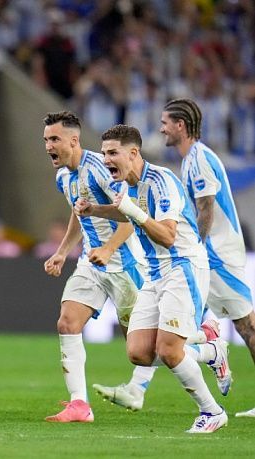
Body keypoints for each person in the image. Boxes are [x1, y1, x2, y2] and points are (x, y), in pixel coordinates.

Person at [95, 98, 255, 418]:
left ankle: (196, 378)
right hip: (194, 258)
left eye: (165, 122)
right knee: (166, 340)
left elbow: (206, 208)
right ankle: (209, 350)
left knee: (247, 324)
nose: (161, 128)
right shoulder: (188, 160)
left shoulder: (198, 159)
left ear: (180, 125)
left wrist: (199, 246)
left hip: (216, 254)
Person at [76, 124, 227, 433]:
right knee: (139, 353)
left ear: (133, 153)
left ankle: (212, 412)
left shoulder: (162, 181)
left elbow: (169, 236)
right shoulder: (125, 185)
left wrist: (133, 211)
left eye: (113, 153)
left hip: (183, 266)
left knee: (170, 351)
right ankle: (210, 350)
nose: (106, 160)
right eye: (104, 153)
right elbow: (125, 211)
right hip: (155, 271)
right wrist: (96, 209)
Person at [40, 111, 147, 422]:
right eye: (46, 139)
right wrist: (62, 252)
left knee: (143, 349)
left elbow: (132, 215)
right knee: (67, 323)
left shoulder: (100, 169)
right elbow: (79, 212)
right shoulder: (63, 176)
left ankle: (207, 351)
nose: (48, 145)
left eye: (54, 139)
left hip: (125, 265)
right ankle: (79, 405)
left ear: (74, 141)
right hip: (91, 263)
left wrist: (109, 247)